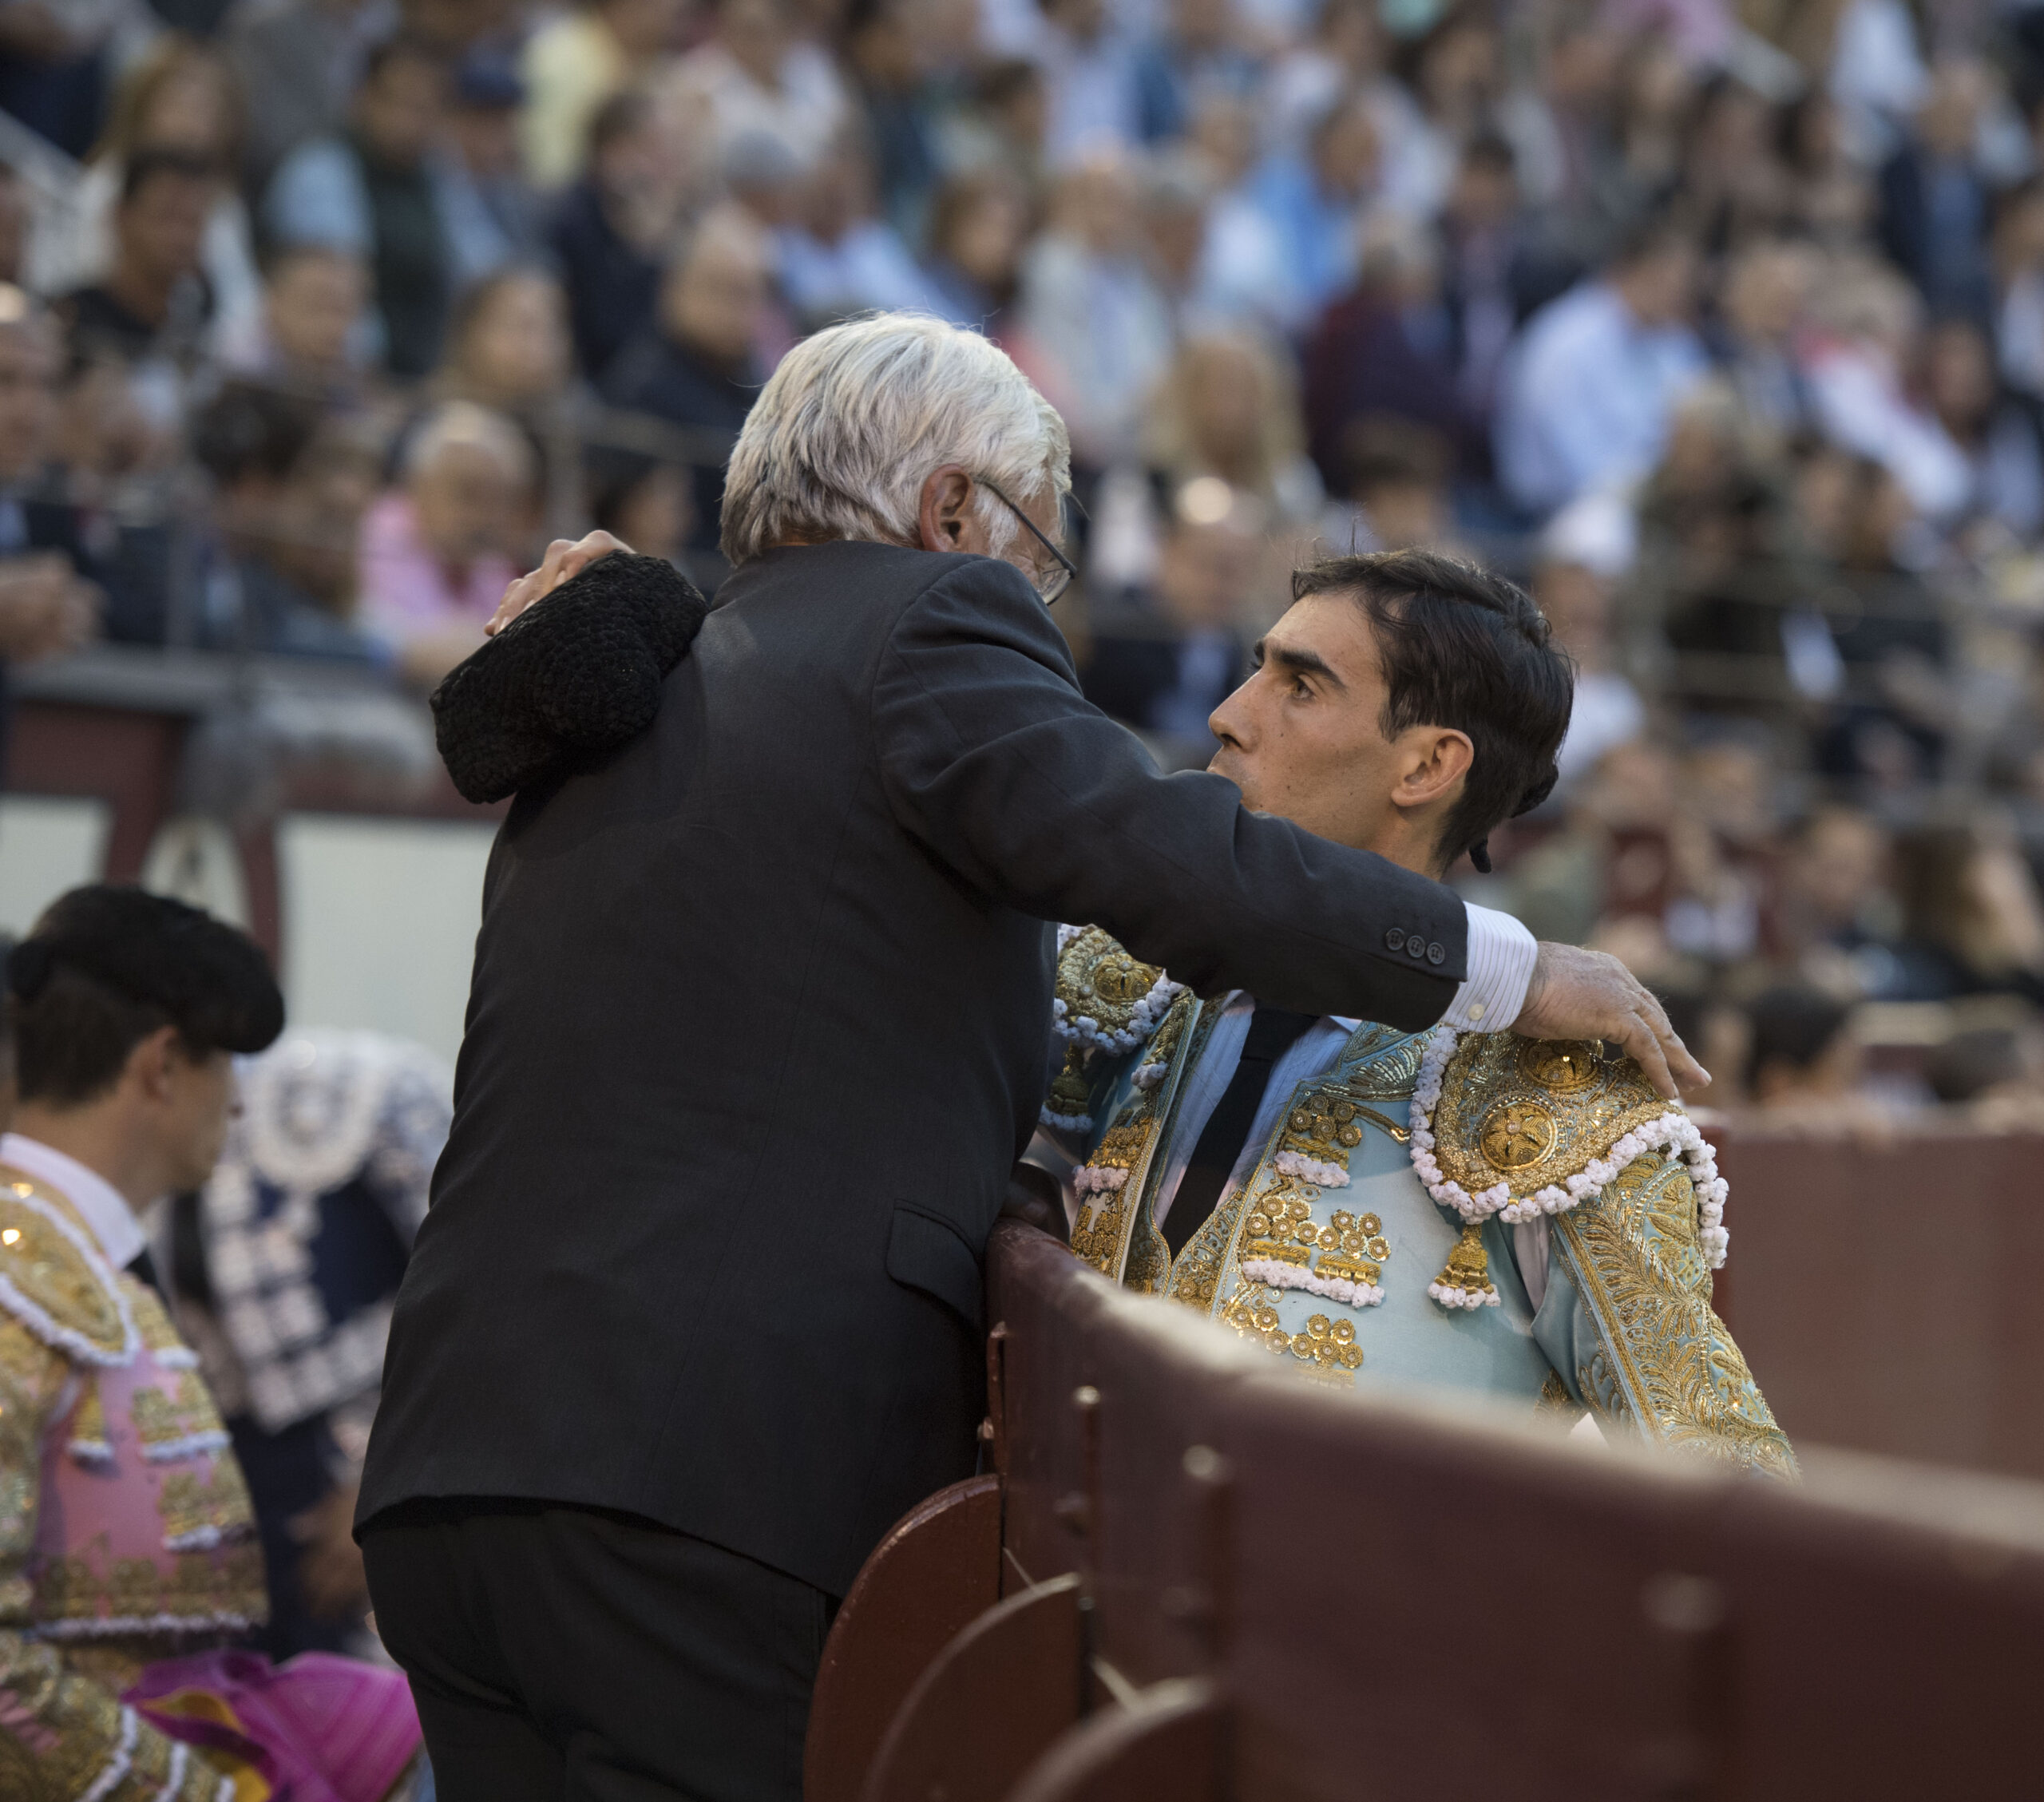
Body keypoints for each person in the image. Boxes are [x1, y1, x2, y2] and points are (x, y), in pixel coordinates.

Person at [355, 313, 1705, 1802]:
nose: (1220, 712)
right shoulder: (923, 625)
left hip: (452, 1461)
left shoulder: (651, 681)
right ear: (950, 514)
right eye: (1036, 558)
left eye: (1296, 686)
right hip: (706, 1487)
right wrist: (1504, 963)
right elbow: (1156, 847)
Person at [1042, 549, 1791, 1474]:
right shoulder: (1121, 992)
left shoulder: (1550, 1103)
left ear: (1428, 765)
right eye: (1256, 667)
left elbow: (1726, 1475)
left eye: (1302, 687)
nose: (1228, 714)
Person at [0, 885, 426, 1799]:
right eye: (224, 1068)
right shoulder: (20, 1281)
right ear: (162, 1067)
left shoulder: (76, 1263)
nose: (235, 1106)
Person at [161, 1028, 451, 1662]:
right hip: (248, 1513)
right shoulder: (120, 1150)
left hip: (391, 1478)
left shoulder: (363, 1089)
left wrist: (389, 1491)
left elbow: (483, 1303)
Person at [1495, 218, 1709, 518]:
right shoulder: (1565, 339)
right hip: (1554, 513)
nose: (1680, 295)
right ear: (1630, 269)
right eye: (1670, 280)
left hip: (1649, 505)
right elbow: (1574, 464)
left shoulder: (1674, 342)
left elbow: (1699, 422)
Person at [358, 399, 532, 685]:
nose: (484, 516)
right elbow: (405, 646)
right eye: (468, 493)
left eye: (499, 500)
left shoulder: (488, 560)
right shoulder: (379, 529)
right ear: (419, 485)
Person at [56, 149, 220, 367]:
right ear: (120, 218)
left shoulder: (202, 316)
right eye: (166, 217)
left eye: (193, 221)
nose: (181, 238)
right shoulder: (71, 319)